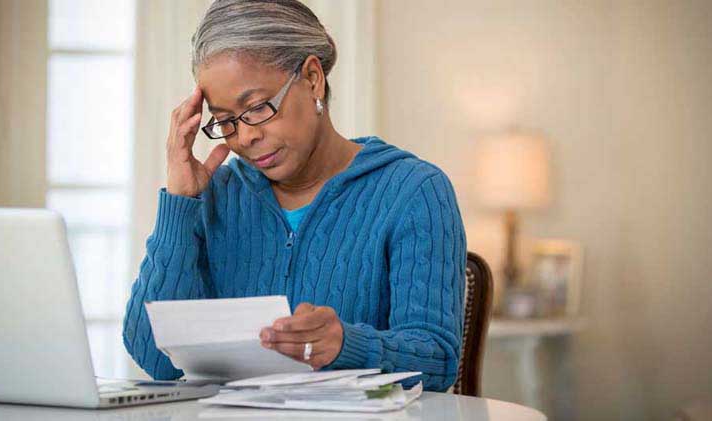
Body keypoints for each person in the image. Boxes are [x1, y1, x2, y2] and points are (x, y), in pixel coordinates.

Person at [122, 0, 467, 392]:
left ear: (313, 78)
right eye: (225, 121)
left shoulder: (413, 191)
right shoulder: (214, 197)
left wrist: (346, 345)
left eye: (256, 107)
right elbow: (154, 360)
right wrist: (179, 205)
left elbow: (438, 363)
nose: (246, 136)